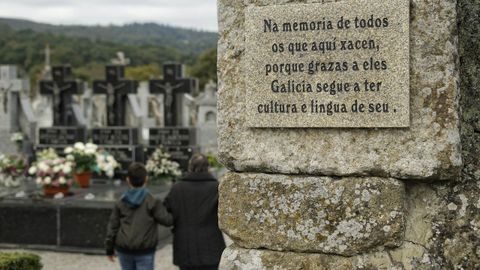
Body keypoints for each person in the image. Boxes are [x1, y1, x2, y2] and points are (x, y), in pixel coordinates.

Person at [105, 162, 173, 270]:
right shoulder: (152, 201)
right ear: (146, 179)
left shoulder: (121, 201)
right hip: (145, 249)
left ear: (128, 180)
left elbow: (113, 227)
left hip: (124, 249)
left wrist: (109, 249)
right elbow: (167, 220)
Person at [164, 154, 226, 270]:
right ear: (208, 168)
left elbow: (167, 211)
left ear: (189, 167)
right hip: (211, 245)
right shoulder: (216, 187)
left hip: (185, 245)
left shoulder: (177, 188)